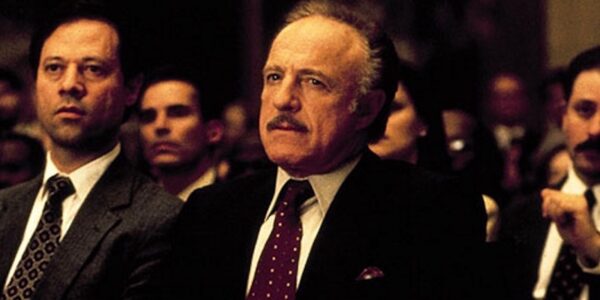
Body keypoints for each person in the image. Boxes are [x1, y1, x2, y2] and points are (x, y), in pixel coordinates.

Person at [161, 1, 486, 299]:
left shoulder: (433, 209)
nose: (283, 99)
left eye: (314, 82)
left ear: (367, 108)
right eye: (274, 77)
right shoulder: (210, 211)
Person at [0, 4, 181, 299]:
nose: (69, 84)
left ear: (132, 90)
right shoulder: (5, 205)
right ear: (35, 84)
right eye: (54, 68)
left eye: (93, 69)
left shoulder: (160, 219)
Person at [500, 46, 600, 299]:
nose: (596, 129)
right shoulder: (522, 215)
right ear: (563, 115)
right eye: (585, 110)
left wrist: (595, 249)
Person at [137, 66, 224, 200]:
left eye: (178, 113)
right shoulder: (133, 206)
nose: (160, 126)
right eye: (148, 117)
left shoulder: (241, 203)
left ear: (213, 132)